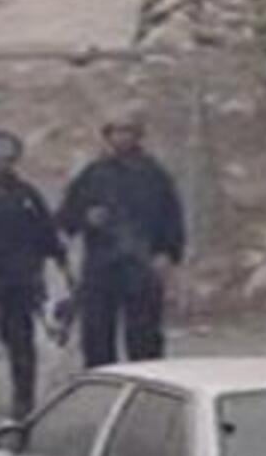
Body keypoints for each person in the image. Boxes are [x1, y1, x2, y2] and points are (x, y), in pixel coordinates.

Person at [56, 109, 186, 368]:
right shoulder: (92, 174)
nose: (122, 137)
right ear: (108, 136)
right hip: (101, 265)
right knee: (97, 337)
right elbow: (65, 218)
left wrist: (167, 255)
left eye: (128, 131)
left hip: (142, 265)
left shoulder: (154, 174)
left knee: (144, 339)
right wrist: (86, 217)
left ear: (138, 136)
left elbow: (172, 217)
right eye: (117, 131)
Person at [0, 129, 70, 420]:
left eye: (5, 158)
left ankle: (23, 399)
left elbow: (46, 234)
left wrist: (61, 265)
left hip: (17, 282)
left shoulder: (26, 196)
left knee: (20, 343)